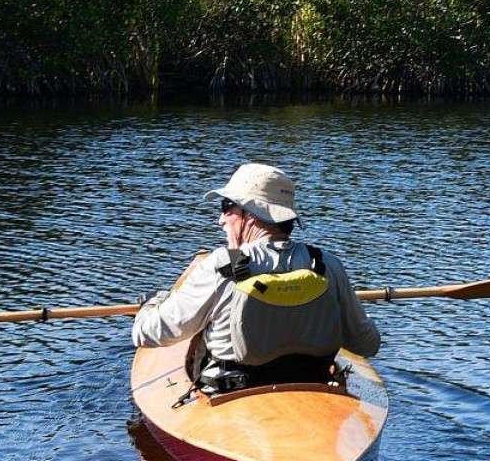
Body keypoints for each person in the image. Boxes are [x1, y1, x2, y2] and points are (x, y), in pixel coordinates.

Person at [133, 162, 382, 393]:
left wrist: (151, 305)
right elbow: (367, 345)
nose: (221, 219)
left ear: (251, 215)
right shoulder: (327, 264)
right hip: (311, 389)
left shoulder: (220, 266)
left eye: (227, 207)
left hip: (233, 396)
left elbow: (149, 333)